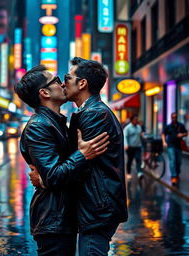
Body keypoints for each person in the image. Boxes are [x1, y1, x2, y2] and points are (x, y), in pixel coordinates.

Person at [14, 65, 110, 256]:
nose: (62, 83)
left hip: (63, 215)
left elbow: (52, 174)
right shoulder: (39, 126)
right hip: (53, 219)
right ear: (44, 92)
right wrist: (82, 155)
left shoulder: (55, 122)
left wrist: (44, 178)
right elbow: (53, 175)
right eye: (56, 80)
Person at [62, 57, 128, 255]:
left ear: (82, 83)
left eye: (67, 77)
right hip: (97, 203)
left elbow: (81, 161)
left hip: (97, 206)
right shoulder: (90, 111)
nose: (63, 83)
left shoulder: (95, 114)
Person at [162, 112, 188, 185]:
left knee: (178, 162)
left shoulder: (181, 125)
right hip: (171, 145)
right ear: (171, 118)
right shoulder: (168, 126)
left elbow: (186, 133)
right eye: (173, 117)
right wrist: (164, 142)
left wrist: (182, 134)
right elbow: (163, 133)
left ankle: (177, 173)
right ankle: (173, 176)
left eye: (175, 117)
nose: (174, 118)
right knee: (172, 160)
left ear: (177, 117)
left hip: (179, 146)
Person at [123, 114, 144, 180]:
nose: (136, 121)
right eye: (135, 120)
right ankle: (128, 173)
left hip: (138, 146)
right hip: (130, 147)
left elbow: (140, 135)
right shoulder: (127, 128)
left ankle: (139, 173)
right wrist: (126, 145)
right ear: (131, 120)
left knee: (138, 159)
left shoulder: (139, 127)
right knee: (130, 160)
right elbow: (125, 137)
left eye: (137, 120)